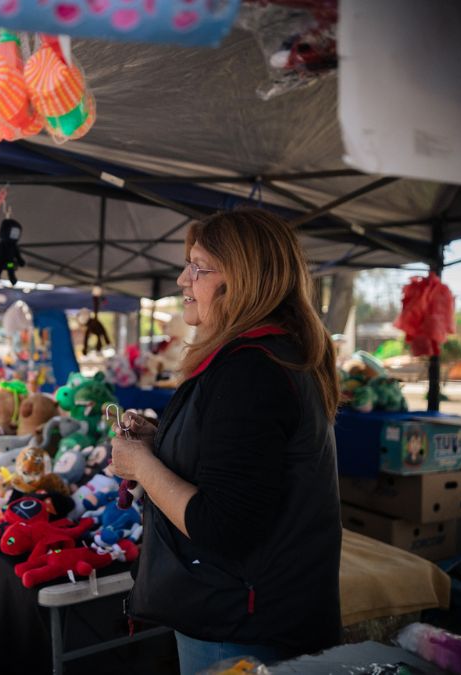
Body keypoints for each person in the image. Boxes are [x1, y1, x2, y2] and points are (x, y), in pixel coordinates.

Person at [112, 208, 343, 672]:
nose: (182, 280)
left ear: (240, 281)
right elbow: (238, 460)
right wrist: (164, 440)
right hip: (247, 612)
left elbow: (222, 525)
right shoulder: (264, 358)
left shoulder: (251, 371)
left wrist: (141, 466)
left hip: (241, 625)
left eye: (197, 267)